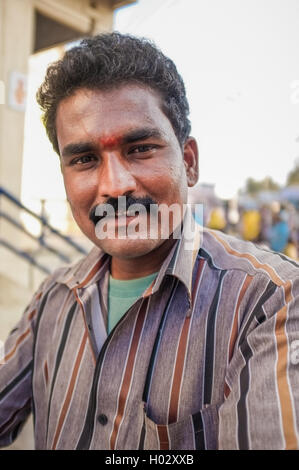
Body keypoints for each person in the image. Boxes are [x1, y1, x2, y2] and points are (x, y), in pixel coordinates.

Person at [0, 33, 298, 451]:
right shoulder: (53, 298)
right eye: (84, 159)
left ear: (188, 163)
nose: (114, 186)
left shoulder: (270, 300)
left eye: (140, 149)